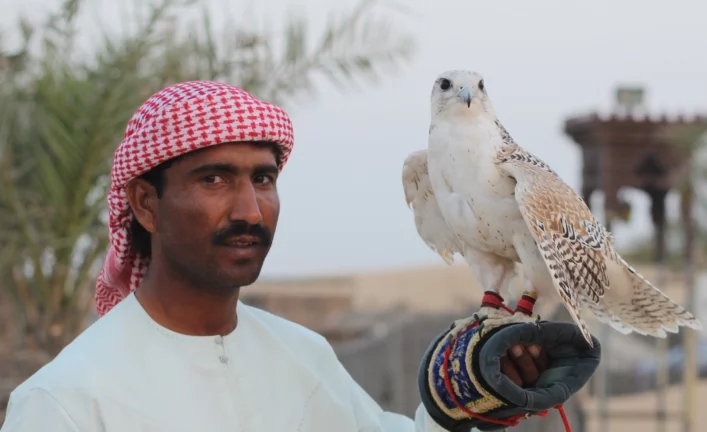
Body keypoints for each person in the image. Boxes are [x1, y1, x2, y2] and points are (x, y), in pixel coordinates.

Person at [1, 81, 598, 432]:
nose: (248, 209)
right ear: (145, 205)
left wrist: (465, 394)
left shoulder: (301, 356)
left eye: (262, 179)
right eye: (213, 180)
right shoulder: (66, 402)